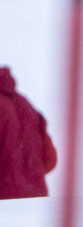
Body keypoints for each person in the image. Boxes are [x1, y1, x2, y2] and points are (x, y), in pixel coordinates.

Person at [0, 66, 58, 199]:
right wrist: (26, 176)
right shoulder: (25, 105)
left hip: (3, 205)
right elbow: (50, 159)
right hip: (34, 204)